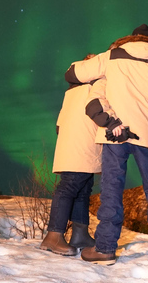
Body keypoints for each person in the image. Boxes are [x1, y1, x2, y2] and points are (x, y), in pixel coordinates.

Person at [66, 24, 148, 265]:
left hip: (115, 134)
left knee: (111, 191)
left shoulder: (112, 56)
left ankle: (105, 249)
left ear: (128, 39)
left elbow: (74, 75)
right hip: (147, 137)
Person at [39, 54, 105, 256]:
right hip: (82, 144)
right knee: (69, 187)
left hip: (78, 144)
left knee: (83, 189)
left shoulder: (72, 90)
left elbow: (59, 125)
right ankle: (53, 237)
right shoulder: (94, 87)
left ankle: (80, 234)